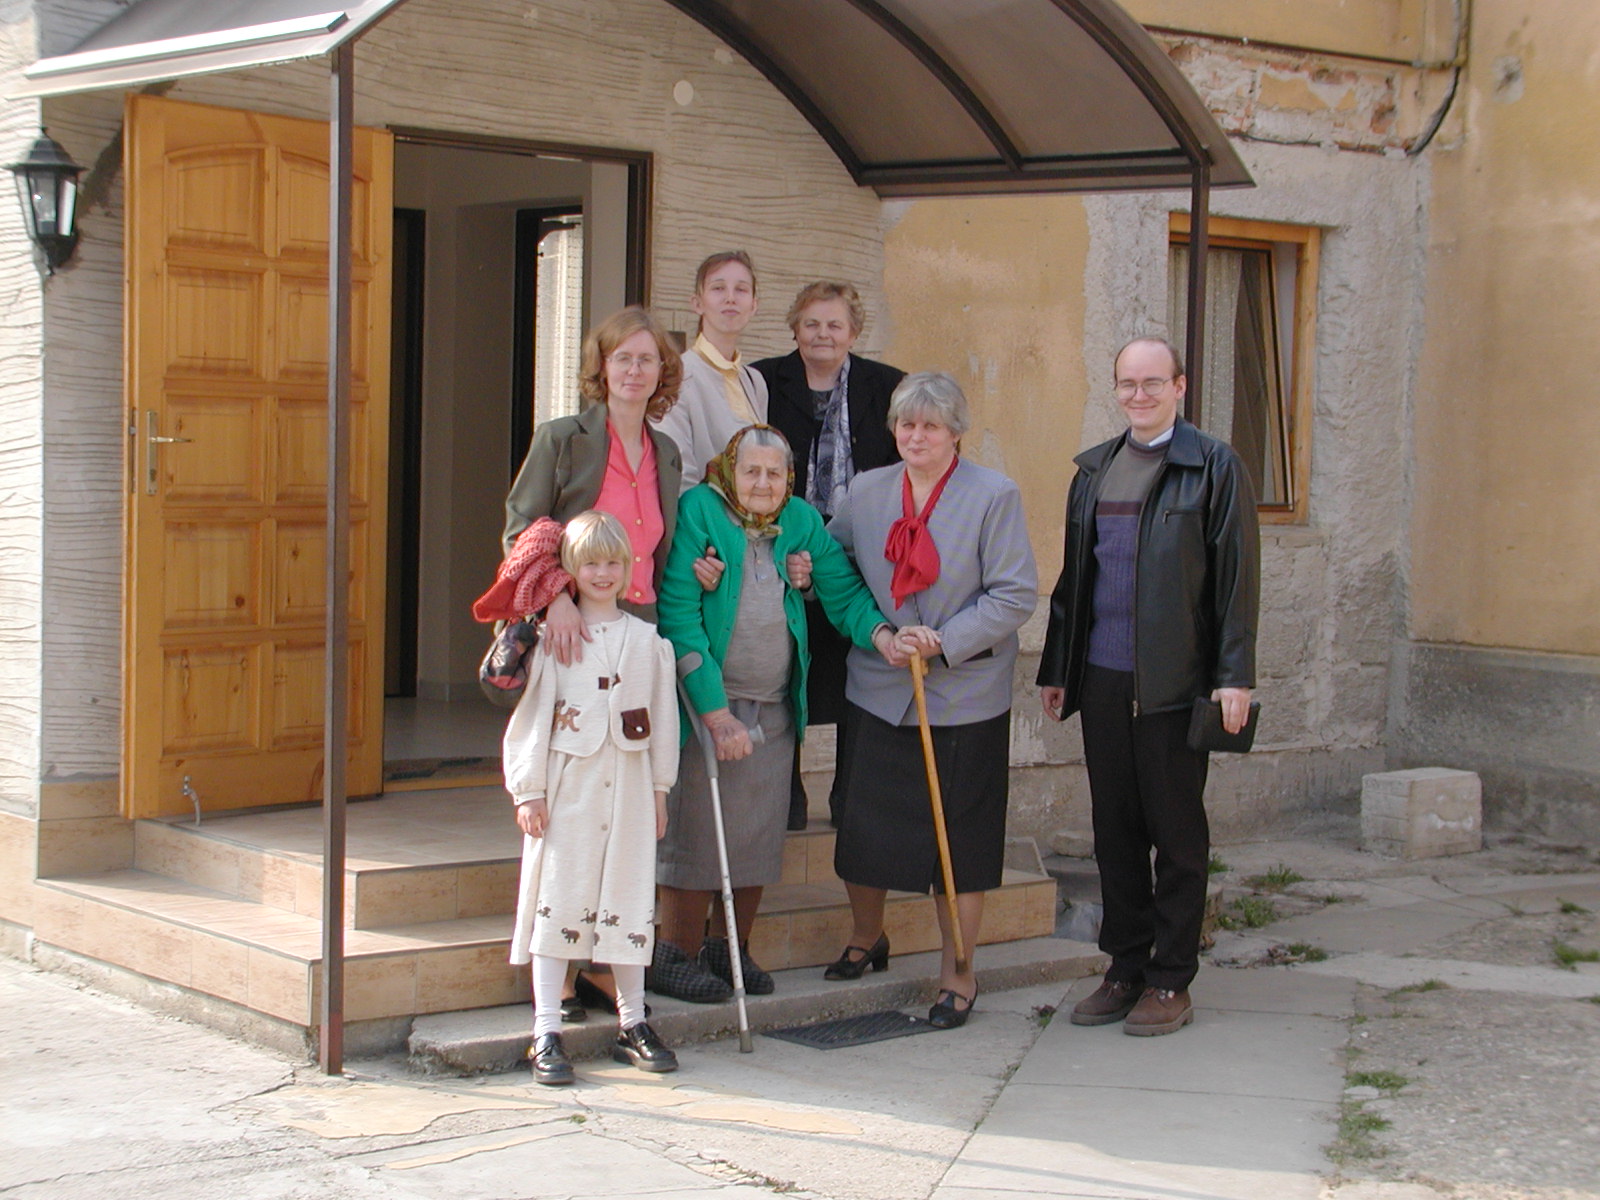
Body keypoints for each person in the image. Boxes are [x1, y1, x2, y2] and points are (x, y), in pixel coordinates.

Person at [1037, 336, 1259, 1037]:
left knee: (1177, 834)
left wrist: (1234, 677)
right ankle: (1125, 968)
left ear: (1179, 387)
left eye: (1153, 382)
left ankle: (1171, 979)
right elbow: (1075, 580)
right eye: (1128, 384)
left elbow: (1236, 579)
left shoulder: (1213, 467)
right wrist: (1058, 668)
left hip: (1174, 684)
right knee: (1115, 833)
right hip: (1103, 679)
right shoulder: (1095, 470)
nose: (1139, 395)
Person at [652, 425, 901, 1003]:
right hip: (705, 703)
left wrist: (882, 634)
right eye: (751, 471)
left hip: (774, 707)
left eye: (774, 473)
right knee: (696, 835)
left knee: (758, 836)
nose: (763, 484)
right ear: (730, 470)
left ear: (789, 478)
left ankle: (729, 949)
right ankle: (674, 954)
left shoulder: (800, 520)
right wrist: (715, 713)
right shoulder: (701, 510)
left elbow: (843, 591)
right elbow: (679, 615)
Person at [825, 373, 1037, 1030]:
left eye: (931, 426)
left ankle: (958, 971)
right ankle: (867, 936)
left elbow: (1014, 594)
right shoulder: (866, 491)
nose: (916, 437)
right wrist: (878, 631)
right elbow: (837, 567)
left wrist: (943, 641)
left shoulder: (993, 495)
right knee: (863, 826)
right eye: (906, 424)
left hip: (963, 693)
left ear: (956, 433)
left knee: (959, 844)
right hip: (879, 684)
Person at [500, 304, 692, 1023]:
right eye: (623, 358)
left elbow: (661, 546)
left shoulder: (666, 453)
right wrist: (554, 600)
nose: (636, 371)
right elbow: (522, 528)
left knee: (623, 805)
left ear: (663, 372)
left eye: (649, 360)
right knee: (570, 805)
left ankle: (604, 971)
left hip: (636, 632)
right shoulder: (564, 439)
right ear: (602, 368)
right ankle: (558, 973)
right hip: (570, 630)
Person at [504, 511, 681, 1085]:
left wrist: (659, 789)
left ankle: (633, 1022)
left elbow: (664, 720)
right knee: (559, 894)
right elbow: (533, 717)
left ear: (628, 568)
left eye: (612, 563)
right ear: (571, 571)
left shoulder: (647, 642)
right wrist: (529, 790)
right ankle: (546, 1030)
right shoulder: (556, 637)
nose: (603, 574)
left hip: (628, 787)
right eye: (590, 564)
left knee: (629, 896)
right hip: (569, 788)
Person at [754, 281, 905, 831]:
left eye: (835, 324)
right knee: (785, 668)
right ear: (794, 328)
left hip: (861, 553)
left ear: (854, 332)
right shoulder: (762, 381)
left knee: (857, 672)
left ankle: (849, 799)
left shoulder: (887, 386)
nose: (823, 334)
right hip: (780, 546)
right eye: (812, 323)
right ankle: (786, 799)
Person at [651, 251, 769, 492]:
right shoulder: (676, 376)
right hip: (700, 513)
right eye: (718, 288)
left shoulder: (754, 381)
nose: (730, 298)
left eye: (741, 289)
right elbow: (678, 473)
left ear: (754, 305)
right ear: (697, 303)